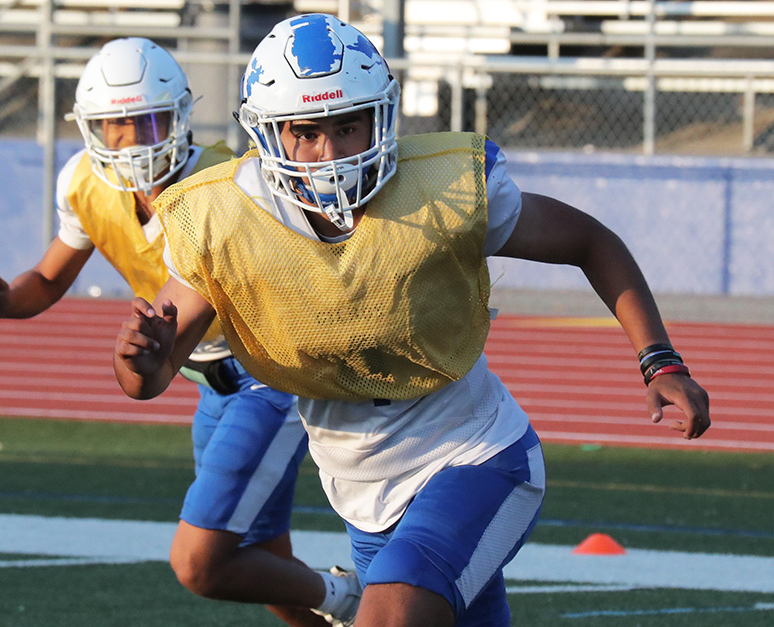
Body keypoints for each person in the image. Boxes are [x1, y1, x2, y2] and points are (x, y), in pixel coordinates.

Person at [112, 14, 711, 627]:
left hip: (475, 455)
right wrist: (142, 358)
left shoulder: (440, 188)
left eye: (349, 127)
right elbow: (146, 382)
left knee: (390, 615)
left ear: (382, 116)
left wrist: (659, 360)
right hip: (362, 491)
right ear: (268, 134)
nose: (332, 154)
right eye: (307, 132)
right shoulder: (221, 219)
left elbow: (588, 239)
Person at [0, 37, 359, 627]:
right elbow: (47, 279)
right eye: (114, 127)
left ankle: (350, 599)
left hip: (266, 376)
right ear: (91, 130)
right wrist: (3, 302)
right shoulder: (84, 185)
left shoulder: (229, 178)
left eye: (145, 122)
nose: (130, 141)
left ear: (177, 117)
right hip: (204, 382)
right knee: (260, 553)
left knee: (203, 559)